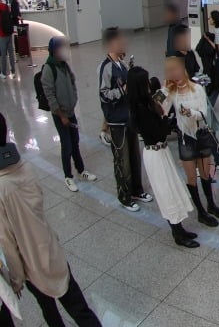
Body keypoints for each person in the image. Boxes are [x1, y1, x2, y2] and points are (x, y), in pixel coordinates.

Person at [0, 113, 102, 327]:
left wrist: (16, 281)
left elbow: (7, 240)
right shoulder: (26, 167)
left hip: (30, 262)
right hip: (50, 248)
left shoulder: (1, 187)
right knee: (78, 307)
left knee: (50, 311)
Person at [123, 67, 201, 248]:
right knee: (166, 193)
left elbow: (159, 98)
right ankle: (177, 234)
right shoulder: (140, 109)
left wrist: (167, 89)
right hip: (155, 154)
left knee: (172, 188)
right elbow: (159, 131)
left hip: (161, 153)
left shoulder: (145, 102)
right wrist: (166, 118)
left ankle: (180, 229)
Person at [163, 56, 219, 226]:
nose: (174, 74)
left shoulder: (197, 88)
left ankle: (211, 205)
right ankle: (201, 211)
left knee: (205, 173)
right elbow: (161, 111)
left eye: (175, 69)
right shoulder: (172, 92)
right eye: (170, 71)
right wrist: (164, 90)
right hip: (186, 139)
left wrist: (190, 113)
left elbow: (204, 113)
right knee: (192, 178)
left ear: (182, 69)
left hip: (202, 134)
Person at [98, 28, 150, 212]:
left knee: (135, 156)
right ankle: (124, 195)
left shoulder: (121, 64)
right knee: (122, 160)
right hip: (116, 121)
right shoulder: (106, 67)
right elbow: (104, 95)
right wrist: (122, 90)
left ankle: (137, 189)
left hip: (129, 118)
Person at [39, 37, 95, 192]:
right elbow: (49, 95)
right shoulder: (49, 69)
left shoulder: (64, 65)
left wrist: (74, 99)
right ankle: (68, 177)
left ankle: (81, 170)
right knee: (67, 145)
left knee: (75, 141)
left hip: (70, 112)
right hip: (60, 115)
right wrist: (61, 115)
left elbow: (72, 82)